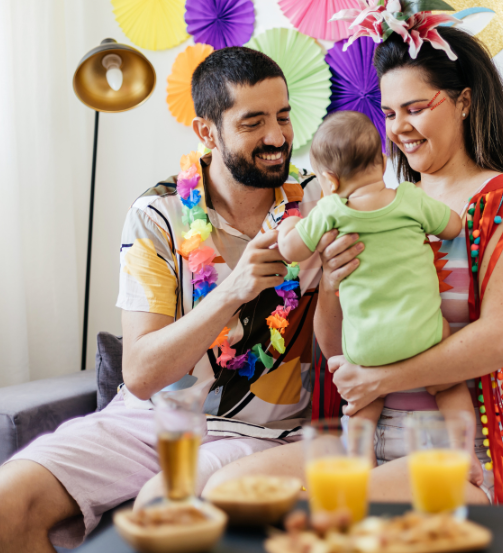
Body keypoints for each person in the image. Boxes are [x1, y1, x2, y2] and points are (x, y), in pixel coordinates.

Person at [202, 6, 503, 510]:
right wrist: (335, 280)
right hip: (366, 436)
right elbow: (336, 345)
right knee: (225, 492)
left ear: (464, 102)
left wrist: (383, 379)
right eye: (388, 114)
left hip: (457, 452)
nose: (399, 128)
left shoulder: (501, 202)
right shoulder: (377, 206)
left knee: (324, 508)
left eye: (415, 108)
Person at [0, 47, 339, 552]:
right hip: (147, 423)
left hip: (263, 434)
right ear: (207, 131)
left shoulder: (321, 205)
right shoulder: (156, 215)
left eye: (283, 117)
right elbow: (140, 374)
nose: (276, 137)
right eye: (253, 122)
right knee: (9, 500)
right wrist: (233, 290)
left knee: (167, 511)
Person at [277, 111, 481, 480]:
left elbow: (291, 250)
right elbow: (453, 226)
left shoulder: (331, 209)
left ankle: (363, 466)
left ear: (330, 180)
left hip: (367, 347)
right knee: (449, 386)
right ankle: (465, 456)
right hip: (424, 335)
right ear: (384, 163)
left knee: (361, 407)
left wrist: (290, 224)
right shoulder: (410, 198)